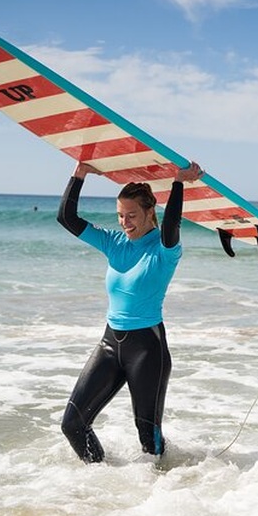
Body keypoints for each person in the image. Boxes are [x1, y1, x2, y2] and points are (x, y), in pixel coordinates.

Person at [57, 161, 203, 463]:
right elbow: (66, 218)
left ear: (150, 212)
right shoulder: (114, 242)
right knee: (72, 424)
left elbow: (171, 226)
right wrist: (80, 172)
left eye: (132, 215)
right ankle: (102, 482)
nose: (125, 222)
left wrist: (179, 182)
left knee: (148, 437)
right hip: (110, 345)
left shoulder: (164, 250)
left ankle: (161, 494)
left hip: (148, 350)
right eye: (120, 215)